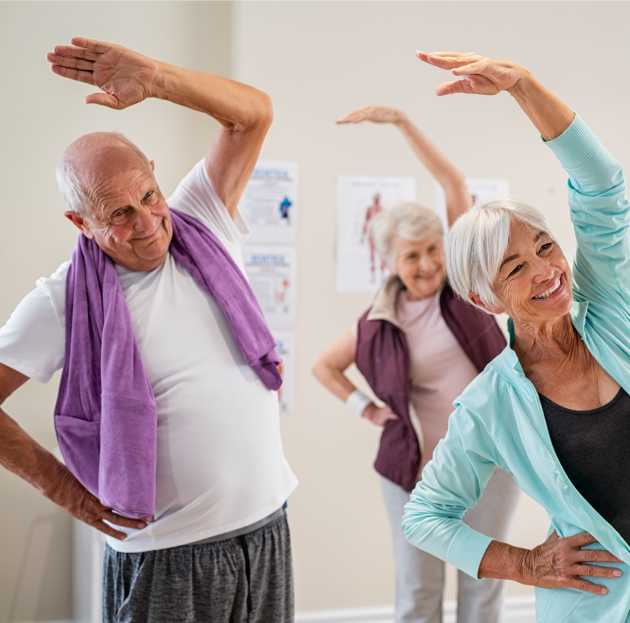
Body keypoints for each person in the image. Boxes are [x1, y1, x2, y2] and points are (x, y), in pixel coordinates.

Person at [0, 38, 297, 623]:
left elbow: (254, 114)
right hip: (168, 556)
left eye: (148, 196)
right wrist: (61, 489)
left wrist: (157, 80)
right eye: (118, 214)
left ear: (158, 180)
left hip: (265, 530)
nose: (148, 223)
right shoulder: (62, 300)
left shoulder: (201, 221)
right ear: (80, 222)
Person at [402, 51, 630, 623]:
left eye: (544, 246)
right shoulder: (490, 401)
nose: (545, 271)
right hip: (596, 605)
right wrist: (526, 565)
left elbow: (601, 183)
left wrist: (523, 86)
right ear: (485, 299)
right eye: (513, 268)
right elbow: (425, 516)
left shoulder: (609, 309)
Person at [313, 106, 520, 623]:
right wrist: (365, 407)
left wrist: (404, 124)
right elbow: (324, 367)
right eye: (412, 256)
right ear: (389, 262)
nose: (427, 264)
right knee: (417, 593)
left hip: (490, 464)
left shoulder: (465, 291)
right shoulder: (377, 323)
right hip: (415, 474)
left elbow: (452, 182)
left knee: (483, 585)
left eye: (434, 250)